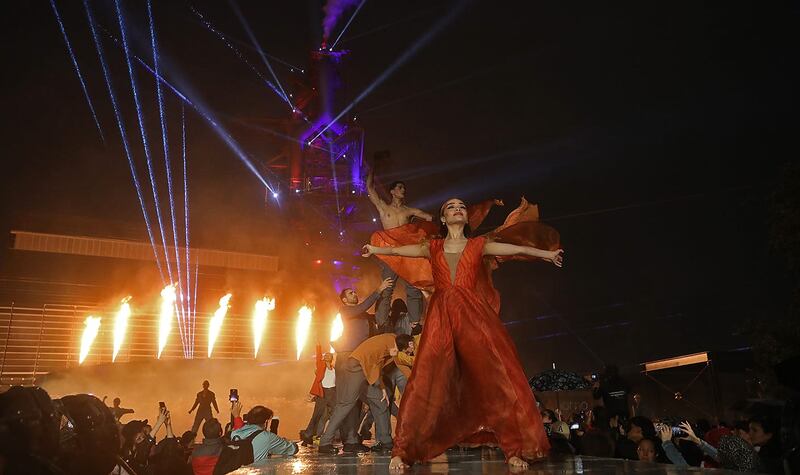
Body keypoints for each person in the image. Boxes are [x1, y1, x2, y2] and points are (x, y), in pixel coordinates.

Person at [362, 197, 563, 470]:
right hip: (442, 315)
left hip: (473, 314)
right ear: (443, 219)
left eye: (461, 207)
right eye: (451, 207)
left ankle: (513, 449)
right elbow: (401, 251)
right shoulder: (431, 247)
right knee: (425, 378)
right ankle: (403, 450)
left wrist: (547, 255)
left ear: (466, 218)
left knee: (495, 377)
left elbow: (514, 247)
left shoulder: (479, 245)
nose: (457, 209)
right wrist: (374, 248)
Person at [366, 169, 432, 329]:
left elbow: (429, 217)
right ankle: (382, 323)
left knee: (413, 286)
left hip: (406, 253)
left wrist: (424, 226)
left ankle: (415, 323)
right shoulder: (384, 208)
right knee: (387, 286)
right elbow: (370, 190)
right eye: (400, 187)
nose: (403, 190)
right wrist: (372, 172)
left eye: (404, 188)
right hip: (389, 254)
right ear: (392, 191)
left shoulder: (409, 211)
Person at [318, 333, 399, 455]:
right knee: (345, 405)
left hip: (362, 368)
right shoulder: (390, 342)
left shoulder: (389, 345)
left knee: (380, 401)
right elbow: (373, 362)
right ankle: (325, 442)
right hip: (355, 366)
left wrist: (381, 387)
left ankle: (385, 442)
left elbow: (377, 364)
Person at [229, 405, 298, 462]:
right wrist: (287, 441)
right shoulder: (268, 437)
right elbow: (292, 449)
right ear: (266, 422)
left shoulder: (235, 433)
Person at [301, 345, 336, 446]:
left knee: (336, 414)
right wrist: (318, 345)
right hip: (323, 393)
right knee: (316, 415)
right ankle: (308, 435)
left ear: (332, 358)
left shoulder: (334, 369)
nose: (327, 356)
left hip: (333, 393)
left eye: (329, 355)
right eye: (325, 355)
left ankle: (333, 435)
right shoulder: (321, 366)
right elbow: (318, 355)